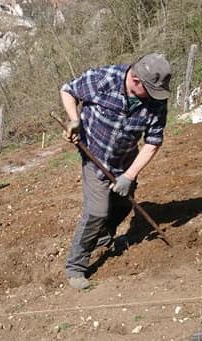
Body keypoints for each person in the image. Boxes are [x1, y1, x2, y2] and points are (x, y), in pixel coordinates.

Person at [59, 53, 171, 289]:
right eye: (150, 90)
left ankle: (103, 236)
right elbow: (68, 90)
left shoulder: (156, 100)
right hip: (94, 155)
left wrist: (129, 176)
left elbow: (153, 142)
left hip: (126, 158)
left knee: (123, 204)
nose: (154, 97)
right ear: (136, 80)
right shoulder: (103, 79)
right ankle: (76, 267)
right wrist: (74, 120)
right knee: (97, 212)